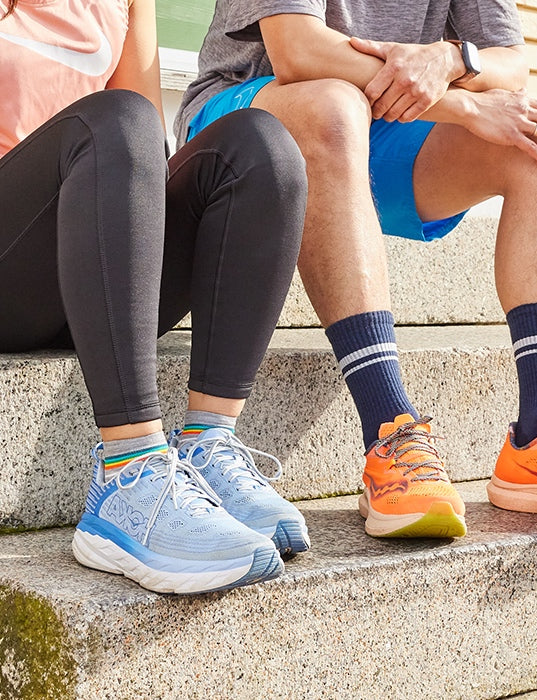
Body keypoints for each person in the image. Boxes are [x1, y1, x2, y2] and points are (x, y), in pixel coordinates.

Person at [174, 0, 537, 536]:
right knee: (333, 105)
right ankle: (389, 432)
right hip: (245, 120)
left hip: (379, 120)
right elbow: (299, 50)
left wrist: (452, 59)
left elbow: (510, 63)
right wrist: (463, 107)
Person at [0, 0, 308, 594]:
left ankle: (205, 448)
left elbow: (146, 148)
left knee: (259, 148)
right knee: (113, 120)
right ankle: (127, 476)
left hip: (82, 268)